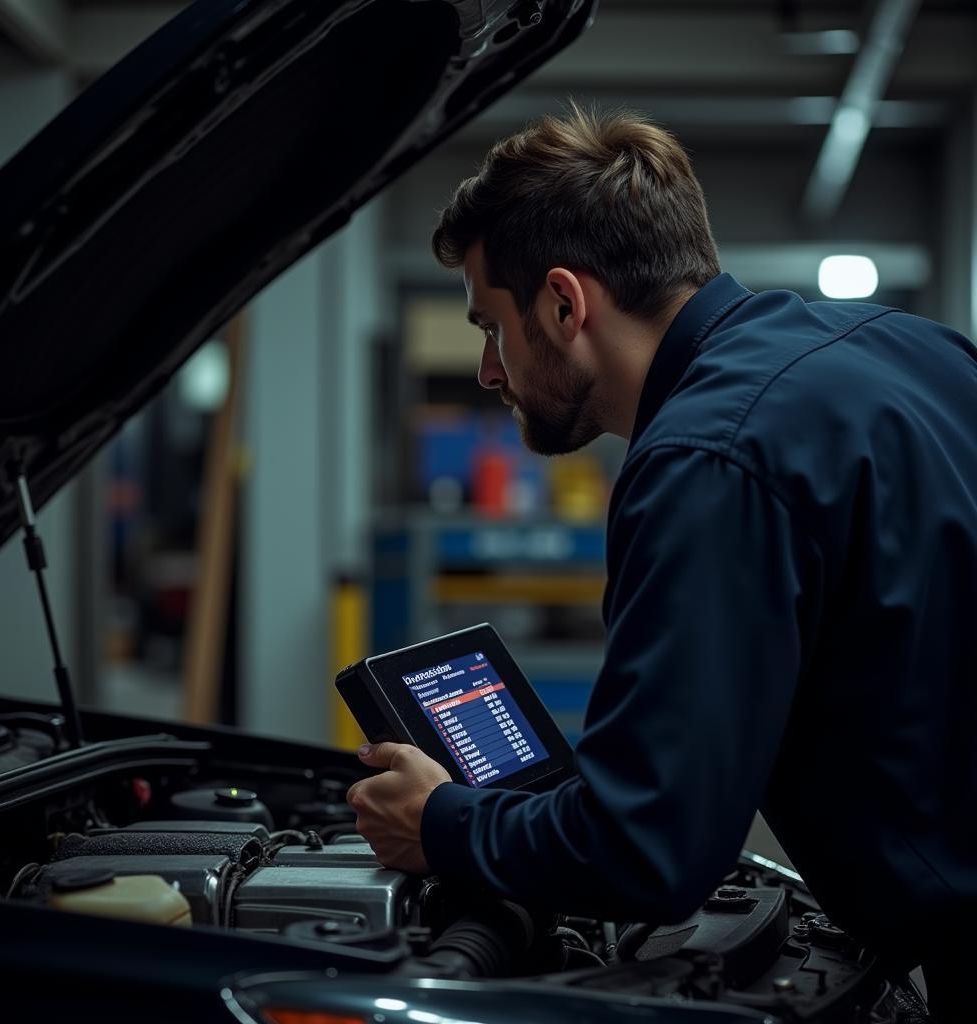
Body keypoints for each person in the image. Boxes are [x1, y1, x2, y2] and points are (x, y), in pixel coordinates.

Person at [345, 104, 976, 1019]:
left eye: (492, 326)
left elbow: (651, 848)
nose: (489, 369)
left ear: (565, 304)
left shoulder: (706, 458)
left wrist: (441, 824)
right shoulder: (914, 349)